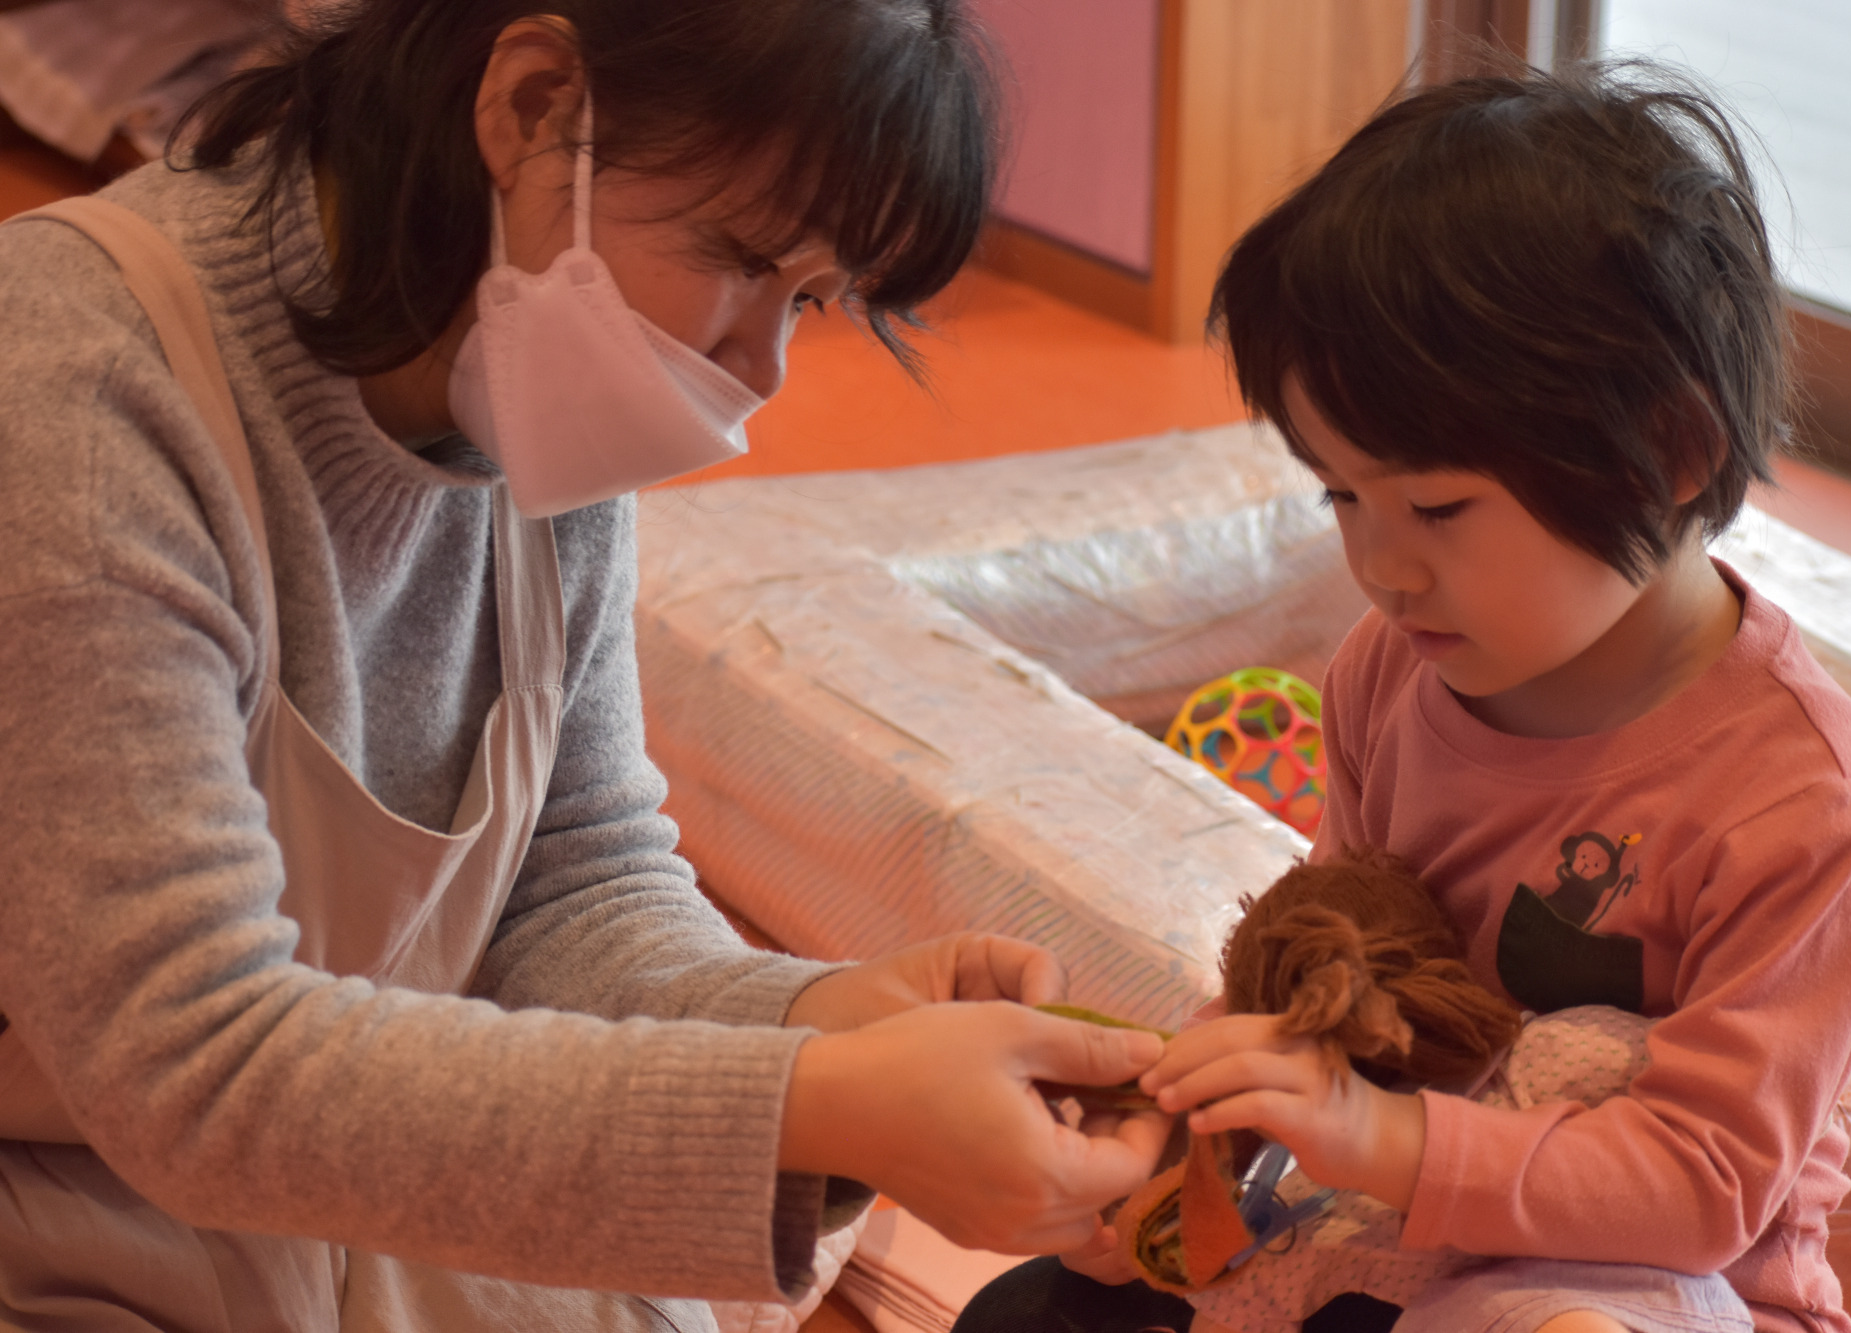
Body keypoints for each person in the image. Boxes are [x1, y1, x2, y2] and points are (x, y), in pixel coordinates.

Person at [0, 1, 1168, 1327]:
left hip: (328, 1169)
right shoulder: (76, 386)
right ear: (536, 102)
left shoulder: (522, 372)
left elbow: (575, 886)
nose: (762, 366)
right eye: (742, 260)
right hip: (81, 1198)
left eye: (815, 302)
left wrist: (832, 1019)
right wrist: (819, 1102)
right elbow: (192, 1069)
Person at [954, 59, 1851, 1333]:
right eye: (1341, 495)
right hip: (1387, 1232)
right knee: (1039, 1310)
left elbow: (1700, 1188)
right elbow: (1333, 965)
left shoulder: (1806, 800)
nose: (1381, 566)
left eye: (1438, 507)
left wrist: (1379, 1139)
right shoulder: (1390, 669)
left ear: (1673, 452)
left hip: (1650, 1286)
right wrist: (1197, 1124)